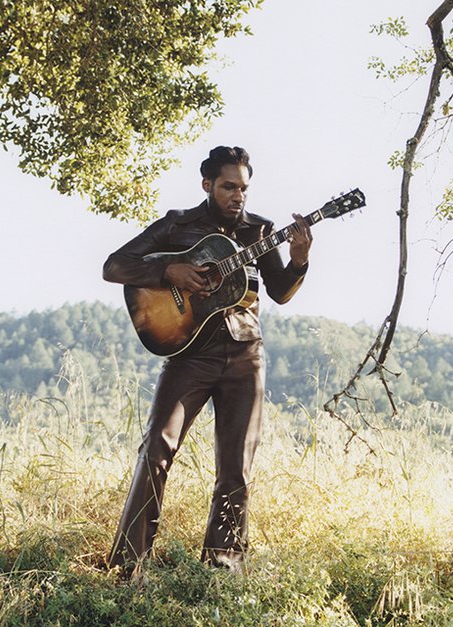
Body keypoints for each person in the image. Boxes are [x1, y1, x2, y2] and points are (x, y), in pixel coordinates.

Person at [103, 145, 313, 578]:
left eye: (244, 188)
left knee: (236, 466)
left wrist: (299, 259)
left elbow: (280, 291)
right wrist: (169, 272)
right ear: (208, 185)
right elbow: (115, 266)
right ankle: (128, 567)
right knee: (156, 450)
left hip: (245, 356)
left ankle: (223, 571)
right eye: (229, 186)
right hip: (189, 353)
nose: (238, 196)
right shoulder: (177, 225)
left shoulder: (260, 231)